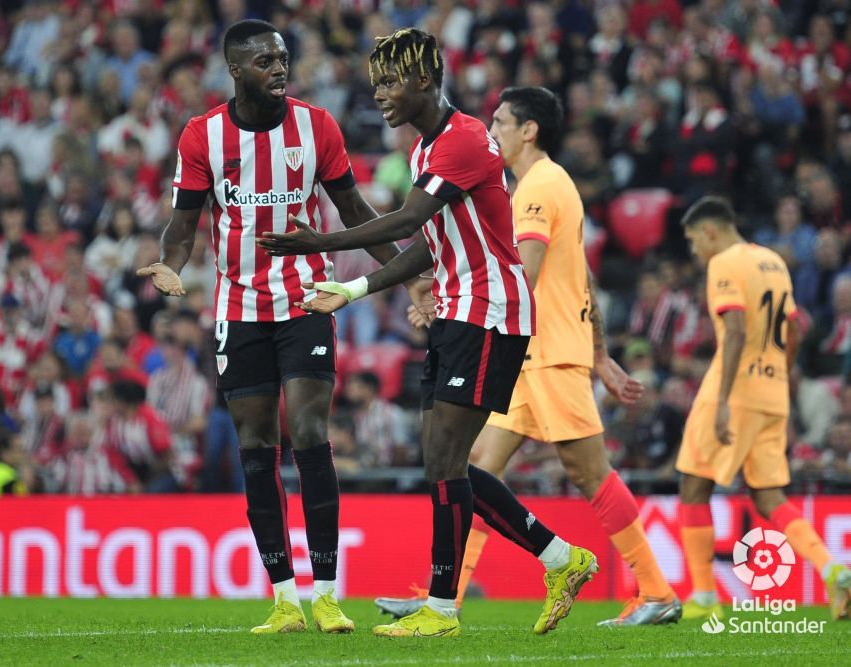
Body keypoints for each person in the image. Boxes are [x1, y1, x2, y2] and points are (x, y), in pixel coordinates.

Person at [258, 28, 598, 639]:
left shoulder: (463, 140)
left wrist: (320, 242)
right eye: (375, 83)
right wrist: (355, 289)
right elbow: (427, 246)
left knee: (445, 463)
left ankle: (444, 611)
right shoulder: (425, 150)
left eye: (389, 82)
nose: (379, 94)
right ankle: (558, 560)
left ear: (422, 80)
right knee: (443, 465)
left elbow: (410, 218)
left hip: (492, 312)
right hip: (458, 310)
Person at [136, 19, 424, 634]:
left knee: (311, 430)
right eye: (265, 60)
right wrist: (169, 265)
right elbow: (184, 227)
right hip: (238, 310)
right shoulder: (202, 136)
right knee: (256, 446)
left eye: (283, 58)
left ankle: (326, 592)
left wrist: (406, 271)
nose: (279, 68)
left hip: (305, 301)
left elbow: (352, 209)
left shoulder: (316, 126)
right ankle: (284, 599)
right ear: (236, 69)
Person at [372, 87, 682, 627]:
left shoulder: (539, 186)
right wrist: (602, 352)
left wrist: (448, 303)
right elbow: (580, 273)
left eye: (501, 121)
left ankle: (656, 592)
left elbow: (526, 271)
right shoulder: (536, 186)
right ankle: (444, 597)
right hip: (532, 352)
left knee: (589, 473)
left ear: (529, 130)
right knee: (468, 469)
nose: (491, 131)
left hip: (544, 352)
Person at [675, 196, 851, 622]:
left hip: (733, 391)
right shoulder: (773, 261)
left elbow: (733, 331)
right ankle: (833, 571)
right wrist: (779, 376)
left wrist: (721, 401)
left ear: (711, 230)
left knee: (693, 485)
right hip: (772, 391)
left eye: (694, 241)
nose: (695, 252)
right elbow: (793, 328)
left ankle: (702, 594)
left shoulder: (724, 263)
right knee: (769, 495)